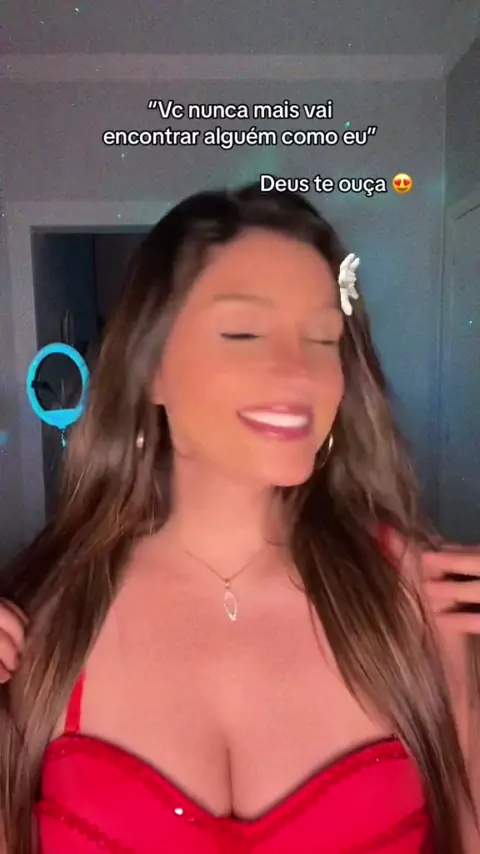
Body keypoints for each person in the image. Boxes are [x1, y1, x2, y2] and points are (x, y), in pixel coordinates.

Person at [0, 182, 478, 853]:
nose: (299, 373)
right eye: (243, 332)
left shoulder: (411, 598)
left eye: (323, 338)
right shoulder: (45, 617)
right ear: (151, 369)